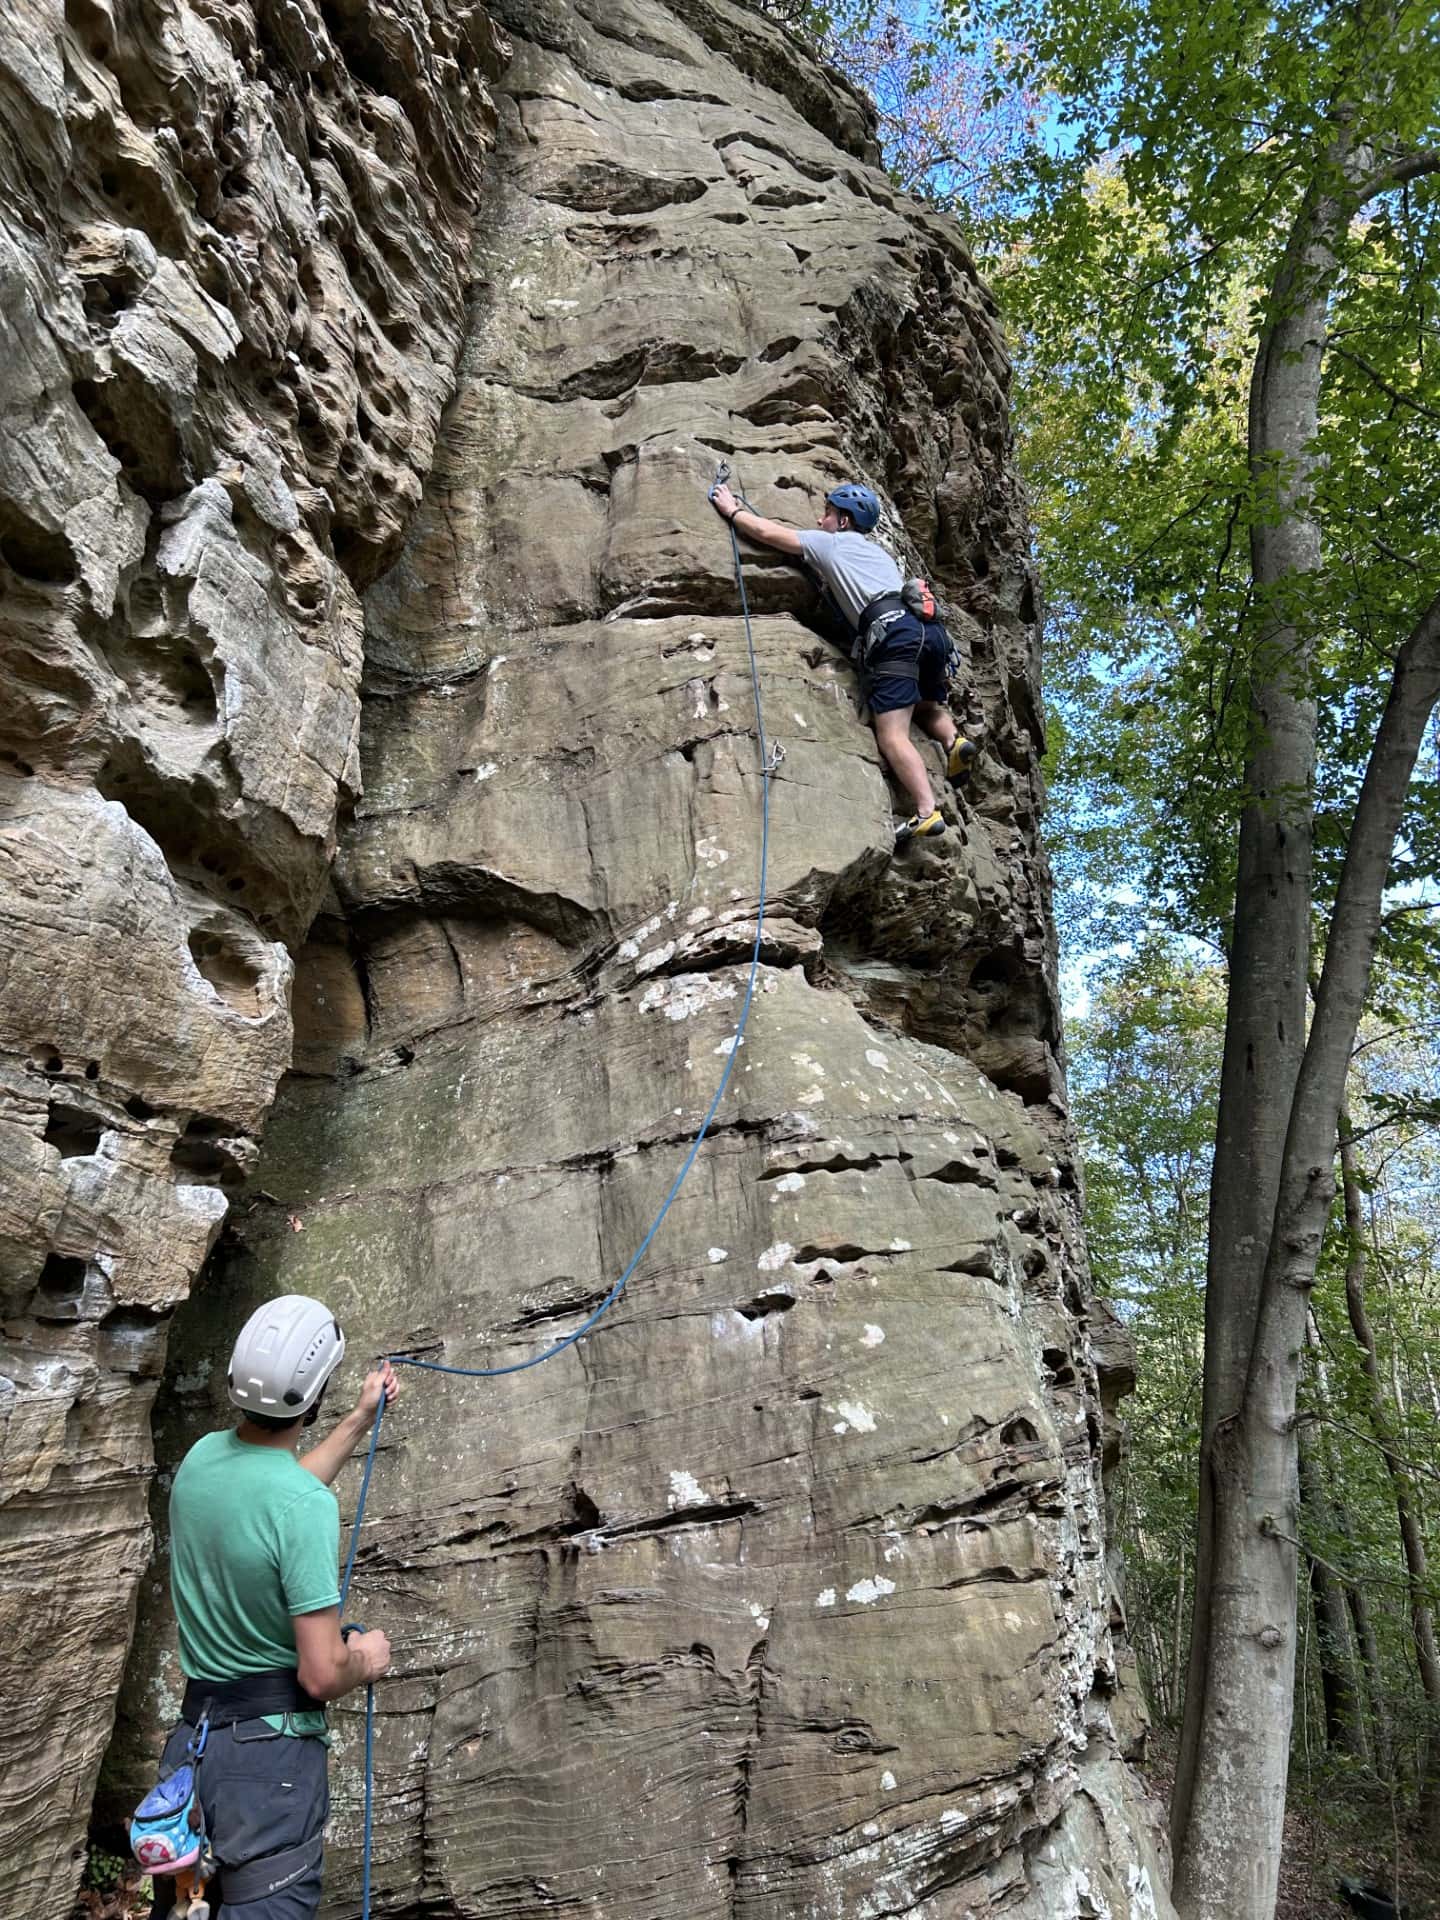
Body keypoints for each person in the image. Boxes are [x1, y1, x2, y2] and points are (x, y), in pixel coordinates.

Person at [149, 1295, 397, 1919]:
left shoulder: (202, 1462)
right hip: (270, 1768)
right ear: (316, 1393)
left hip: (192, 1756)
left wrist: (359, 1421)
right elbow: (320, 1673)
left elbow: (274, 1497)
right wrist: (364, 1659)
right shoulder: (301, 1507)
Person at [708, 476, 973, 845]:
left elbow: (768, 533)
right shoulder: (880, 555)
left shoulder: (829, 544)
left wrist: (731, 509)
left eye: (828, 514)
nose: (820, 521)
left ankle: (927, 812)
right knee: (925, 704)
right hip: (930, 633)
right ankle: (954, 741)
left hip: (893, 636)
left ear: (844, 521)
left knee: (892, 732)